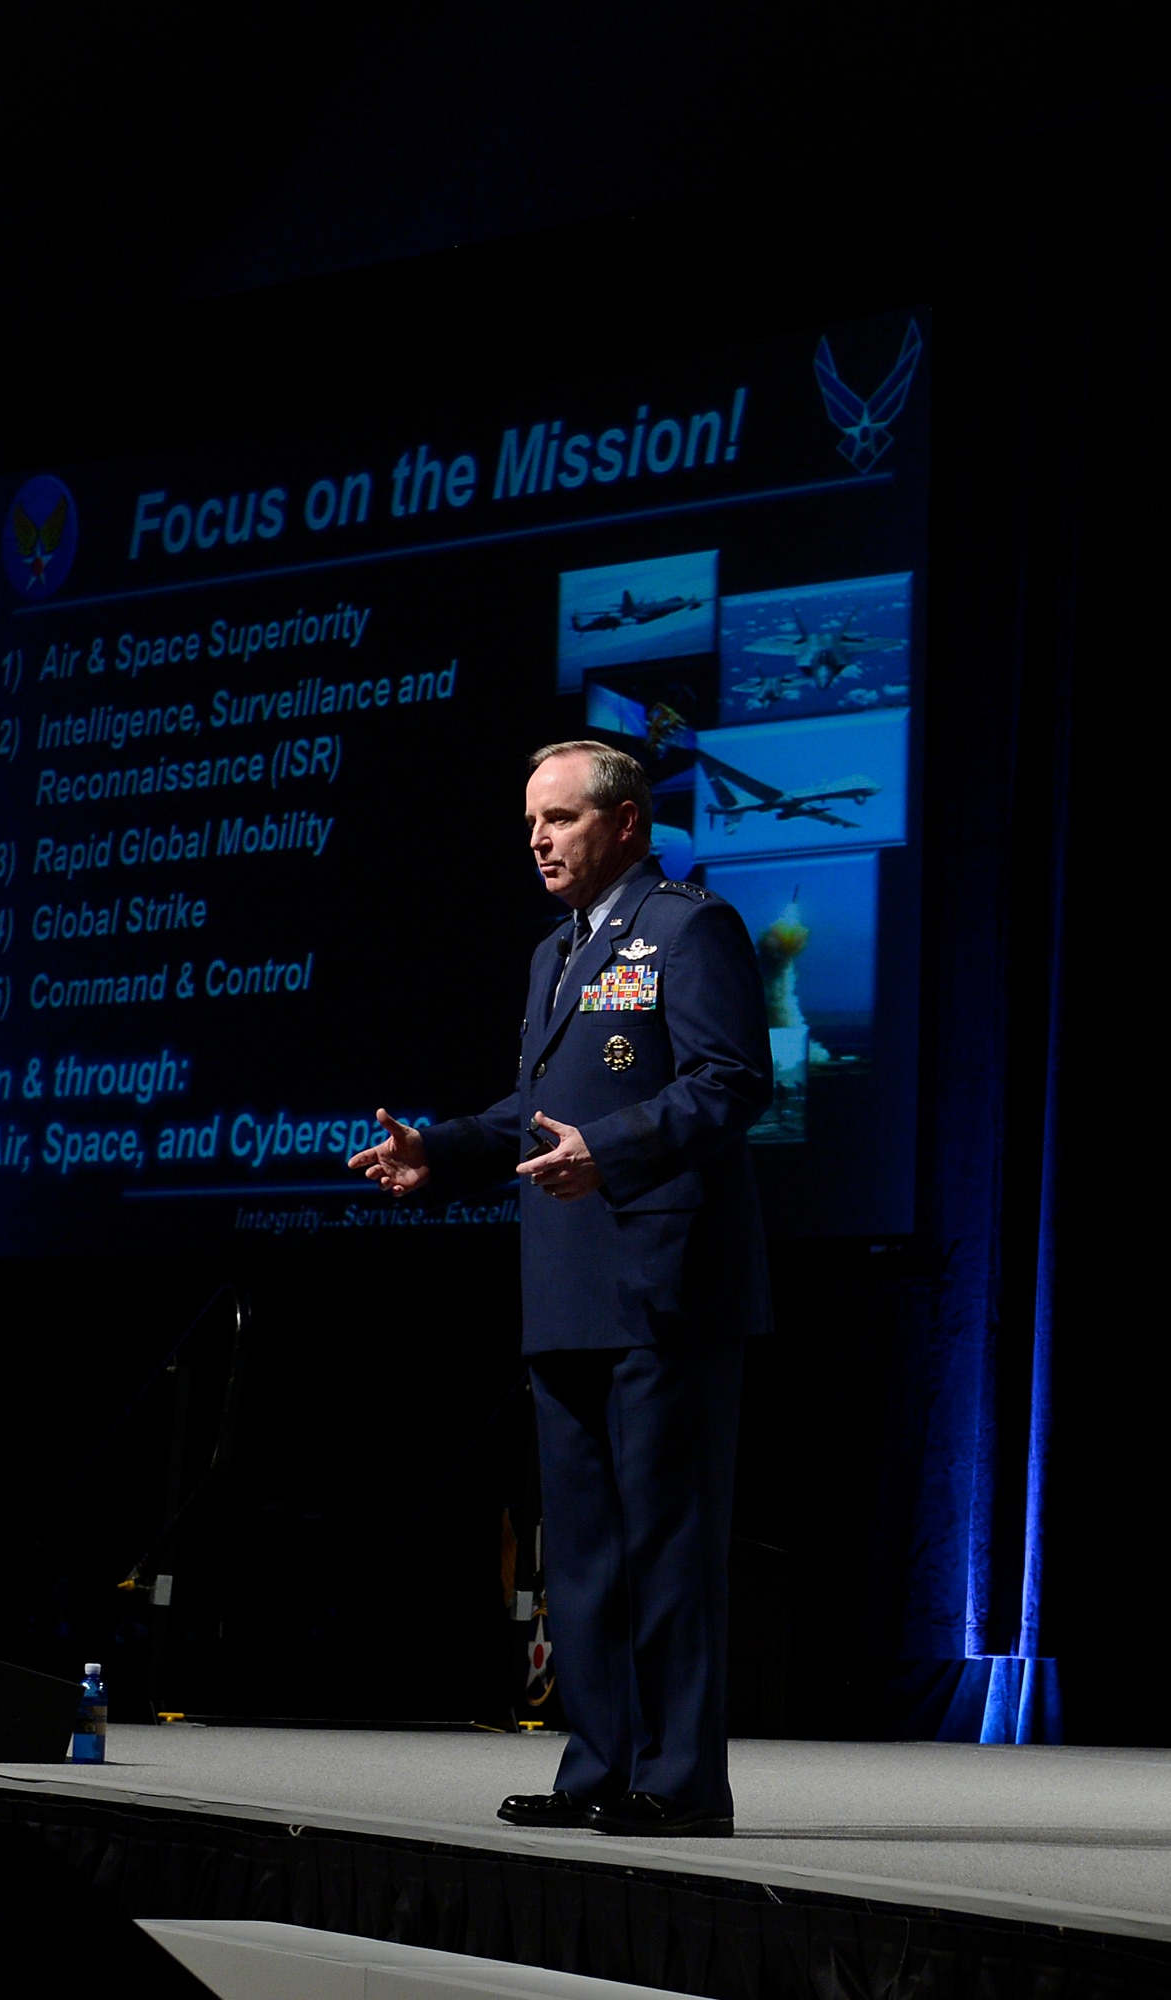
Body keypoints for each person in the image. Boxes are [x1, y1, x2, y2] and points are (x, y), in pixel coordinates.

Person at [347, 741, 772, 1836]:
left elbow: (731, 1080)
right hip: (565, 1288)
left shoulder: (689, 927)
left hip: (662, 1283)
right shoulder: (553, 955)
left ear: (625, 822)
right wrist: (437, 1149)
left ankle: (676, 1783)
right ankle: (594, 1768)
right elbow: (527, 1111)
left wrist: (611, 1151)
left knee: (665, 1544)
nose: (537, 838)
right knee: (578, 1550)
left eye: (560, 818)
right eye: (530, 822)